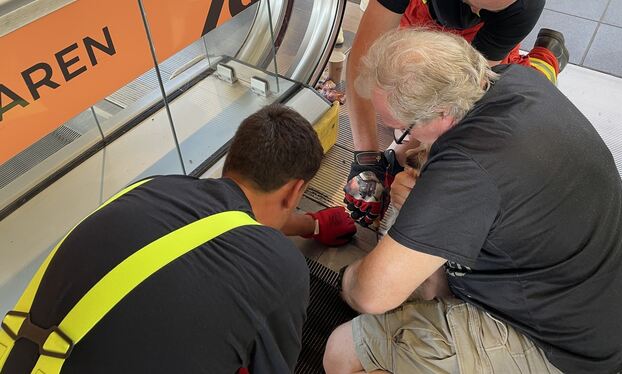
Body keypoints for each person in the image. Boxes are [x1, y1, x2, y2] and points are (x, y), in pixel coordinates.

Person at [324, 29, 622, 373]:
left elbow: (372, 295)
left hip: (557, 352)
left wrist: (348, 279)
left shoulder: (469, 166)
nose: (407, 141)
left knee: (343, 351)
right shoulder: (511, 80)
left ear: (441, 111)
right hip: (583, 306)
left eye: (404, 130)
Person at [0, 104, 356, 373]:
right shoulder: (283, 266)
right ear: (296, 190)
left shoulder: (152, 187)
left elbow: (231, 219)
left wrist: (308, 225)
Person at [344, 0, 570, 227]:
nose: (475, 11)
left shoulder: (523, 7)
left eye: (484, 9)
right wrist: (367, 158)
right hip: (421, 16)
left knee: (516, 91)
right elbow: (365, 61)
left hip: (483, 42)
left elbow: (460, 100)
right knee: (393, 90)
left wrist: (407, 158)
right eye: (473, 3)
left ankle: (546, 60)